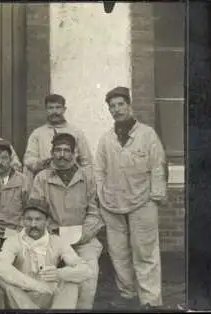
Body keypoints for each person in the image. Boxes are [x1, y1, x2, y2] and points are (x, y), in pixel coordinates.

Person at [94, 86, 167, 309]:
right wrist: (101, 195)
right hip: (112, 203)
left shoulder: (147, 134)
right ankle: (127, 294)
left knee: (145, 251)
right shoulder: (106, 140)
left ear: (129, 106)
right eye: (112, 106)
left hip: (143, 201)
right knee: (118, 252)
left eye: (120, 104)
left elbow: (158, 166)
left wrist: (155, 197)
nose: (116, 109)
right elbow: (98, 170)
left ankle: (150, 299)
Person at [29, 132, 104, 309]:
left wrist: (84, 235)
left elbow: (95, 213)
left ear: (74, 153)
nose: (62, 155)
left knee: (89, 274)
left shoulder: (87, 177)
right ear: (52, 152)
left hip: (83, 240)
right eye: (58, 150)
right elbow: (36, 212)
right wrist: (51, 233)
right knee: (44, 276)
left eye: (66, 150)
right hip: (52, 238)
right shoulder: (42, 178)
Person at [0, 198, 95, 309]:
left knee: (71, 283)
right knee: (2, 281)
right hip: (21, 299)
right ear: (22, 221)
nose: (33, 224)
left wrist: (60, 274)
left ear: (47, 222)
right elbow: (1, 267)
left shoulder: (57, 241)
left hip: (49, 297)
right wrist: (36, 285)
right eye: (29, 219)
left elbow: (86, 271)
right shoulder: (13, 241)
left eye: (38, 219)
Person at [23, 94, 93, 190]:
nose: (54, 111)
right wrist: (43, 163)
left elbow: (87, 162)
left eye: (58, 107)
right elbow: (28, 159)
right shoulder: (37, 134)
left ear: (64, 109)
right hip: (46, 183)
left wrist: (87, 186)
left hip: (72, 185)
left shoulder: (76, 132)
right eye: (50, 108)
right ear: (46, 110)